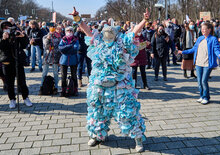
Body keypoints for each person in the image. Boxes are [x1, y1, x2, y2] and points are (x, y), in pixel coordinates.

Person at [71, 7, 147, 152]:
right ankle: (97, 136)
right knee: (97, 112)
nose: (108, 35)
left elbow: (134, 33)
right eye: (106, 33)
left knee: (128, 113)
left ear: (116, 34)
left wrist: (144, 20)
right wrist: (77, 18)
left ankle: (138, 139)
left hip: (119, 88)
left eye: (111, 33)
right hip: (99, 88)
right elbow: (87, 30)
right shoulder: (98, 41)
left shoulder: (122, 43)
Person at [178, 22, 220, 105]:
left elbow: (216, 49)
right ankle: (202, 96)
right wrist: (183, 52)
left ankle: (206, 97)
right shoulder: (200, 38)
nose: (203, 31)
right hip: (198, 63)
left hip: (207, 63)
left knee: (204, 81)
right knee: (199, 81)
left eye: (204, 29)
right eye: (202, 29)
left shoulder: (213, 39)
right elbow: (193, 49)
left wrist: (219, 55)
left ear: (209, 30)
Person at [0, 21, 32, 109]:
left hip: (17, 61)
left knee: (22, 81)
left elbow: (24, 45)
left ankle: (25, 98)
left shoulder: (15, 34)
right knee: (9, 83)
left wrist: (23, 37)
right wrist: (4, 39)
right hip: (7, 62)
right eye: (4, 28)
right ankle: (12, 99)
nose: (7, 29)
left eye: (8, 27)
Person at [39, 24, 62, 95]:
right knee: (44, 72)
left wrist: (59, 59)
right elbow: (45, 46)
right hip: (47, 57)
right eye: (51, 27)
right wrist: (48, 39)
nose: (52, 29)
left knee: (55, 73)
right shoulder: (45, 37)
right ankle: (42, 87)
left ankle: (55, 87)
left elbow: (59, 48)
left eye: (53, 27)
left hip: (55, 57)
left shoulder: (58, 37)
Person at [58, 26, 79, 97]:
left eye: (71, 31)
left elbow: (75, 48)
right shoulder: (63, 39)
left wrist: (66, 48)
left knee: (74, 75)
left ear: (73, 32)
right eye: (68, 31)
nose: (69, 32)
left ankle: (75, 90)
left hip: (73, 59)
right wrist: (70, 46)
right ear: (65, 32)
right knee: (63, 76)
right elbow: (60, 48)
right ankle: (63, 90)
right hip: (64, 60)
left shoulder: (75, 39)